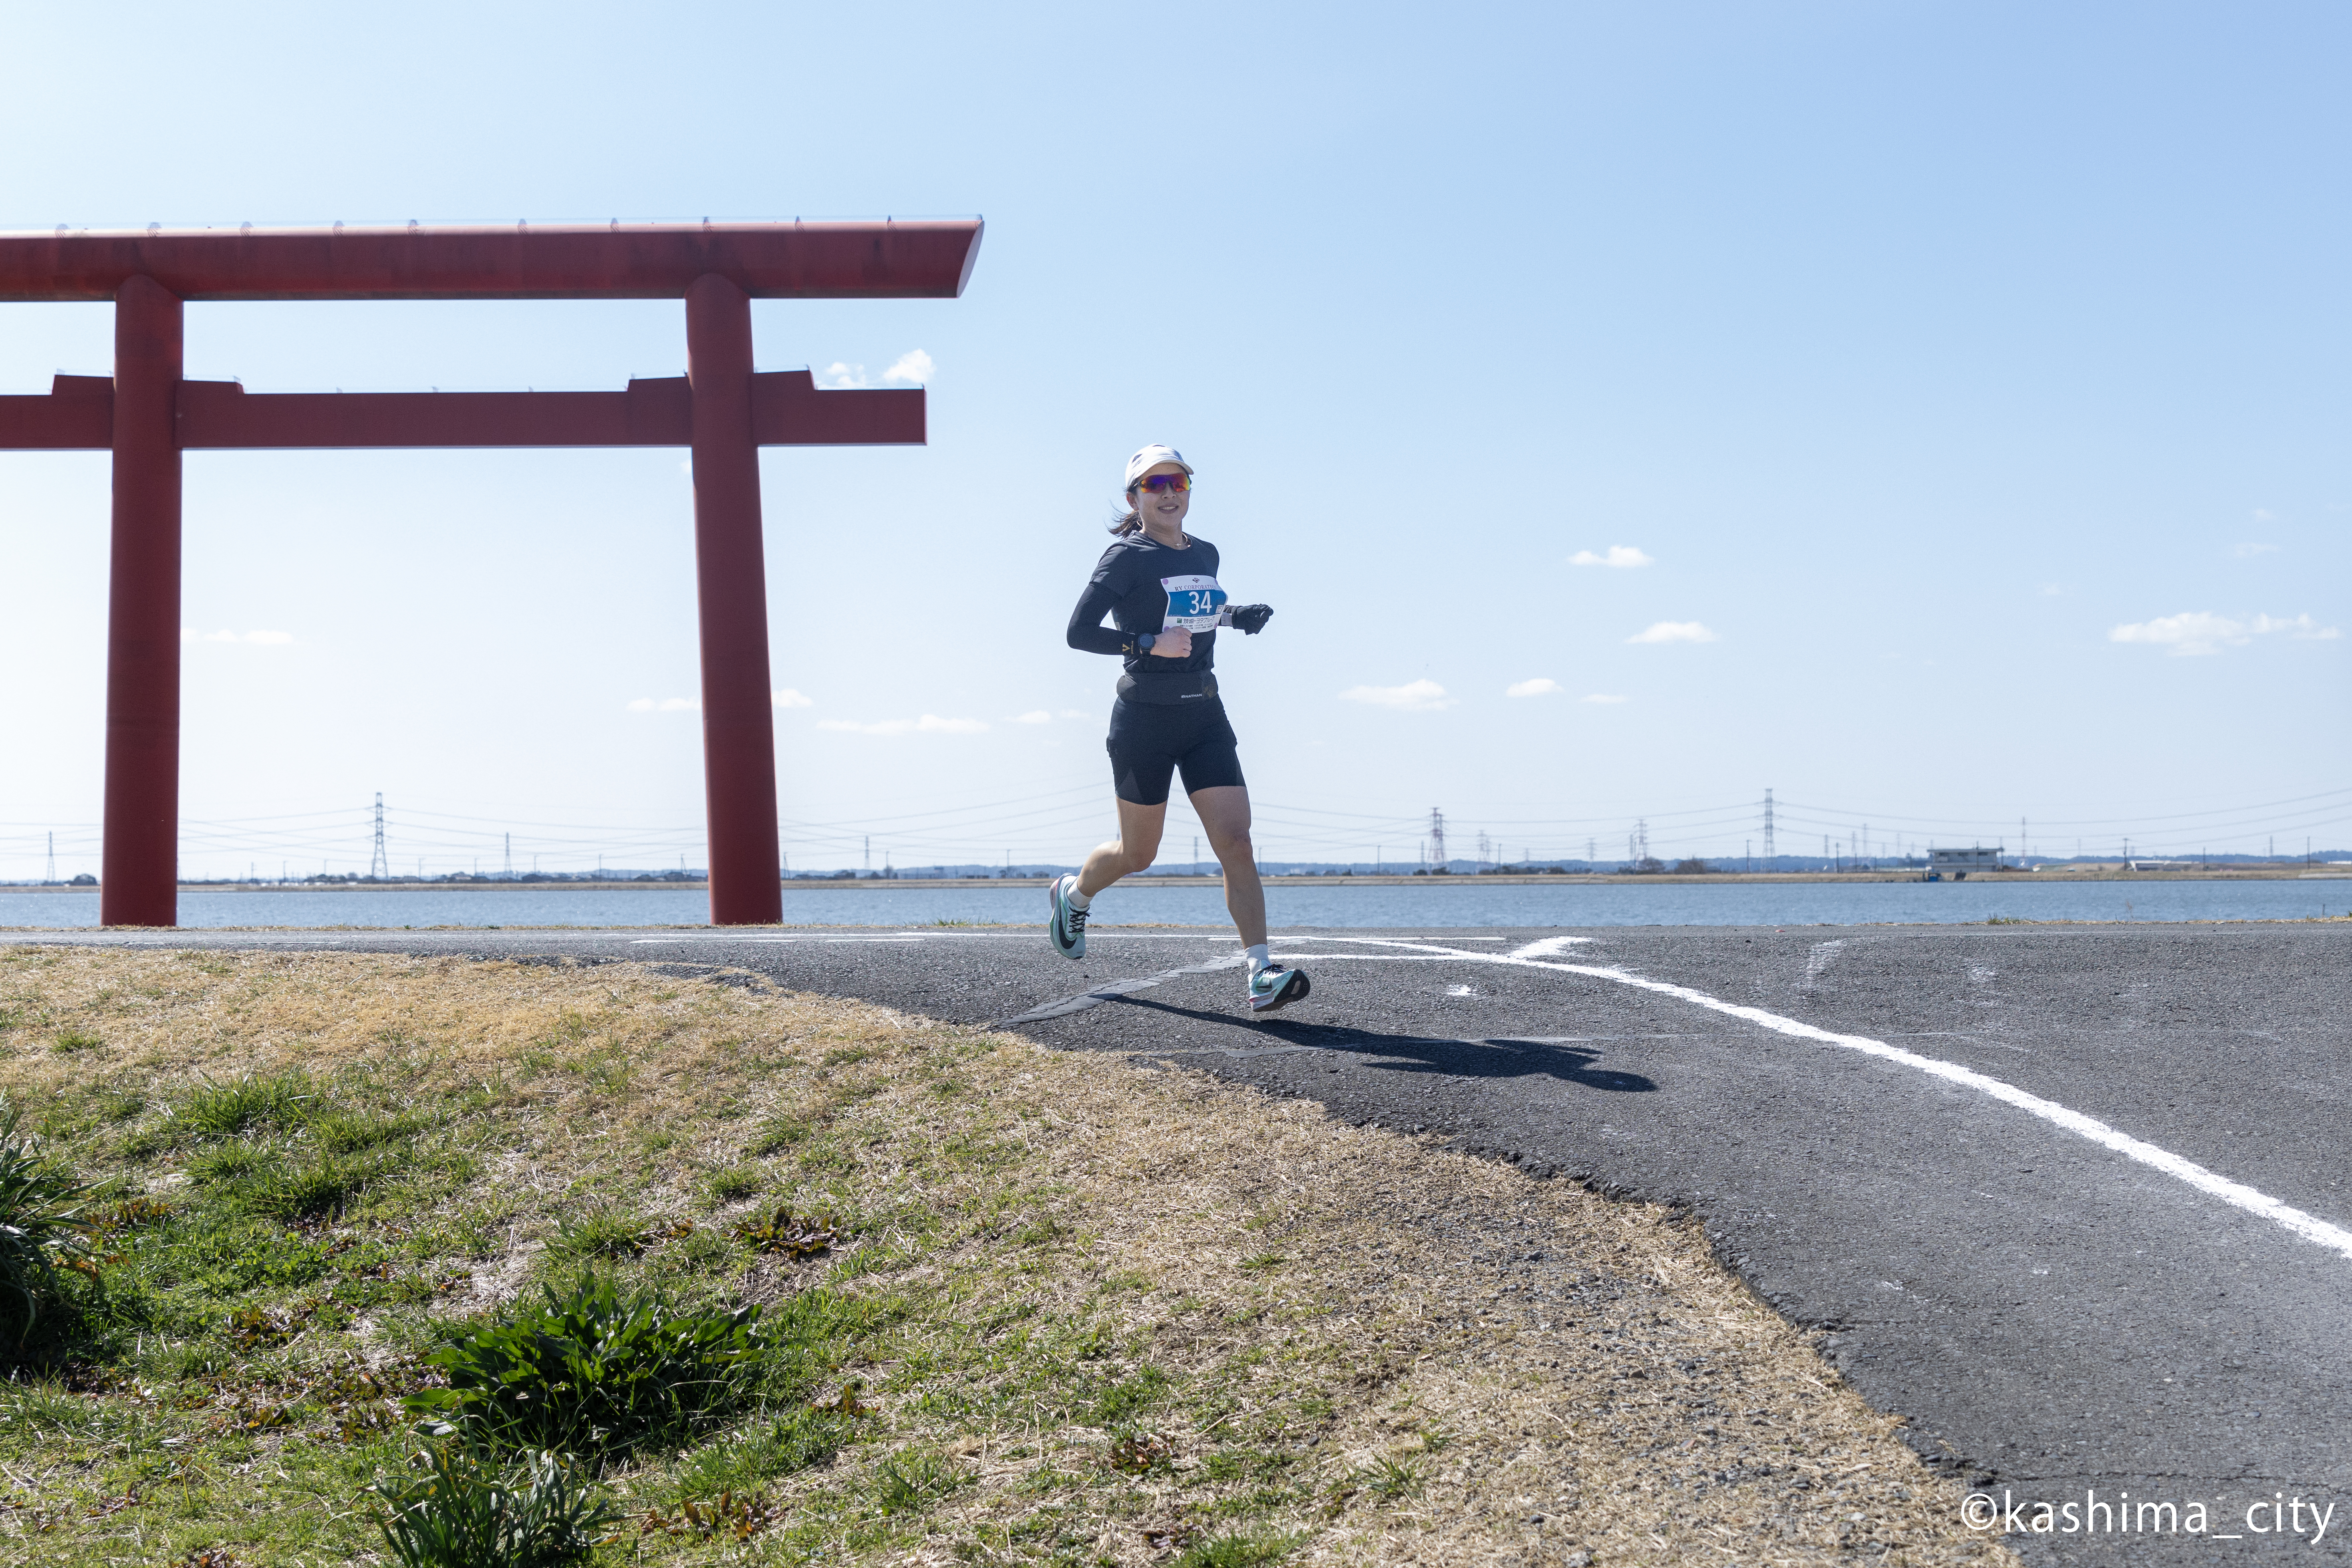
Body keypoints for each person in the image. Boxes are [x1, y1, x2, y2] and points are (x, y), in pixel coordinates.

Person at [1048, 444, 1309, 1014]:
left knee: (1236, 841)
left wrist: (1235, 616)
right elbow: (1078, 631)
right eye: (1154, 484)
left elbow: (1194, 612)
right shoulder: (1125, 557)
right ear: (1134, 497)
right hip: (1144, 718)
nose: (1169, 493)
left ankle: (1260, 972)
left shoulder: (1206, 552)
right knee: (1139, 853)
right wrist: (1145, 644)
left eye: (1178, 482)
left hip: (1204, 713)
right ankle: (1075, 894)